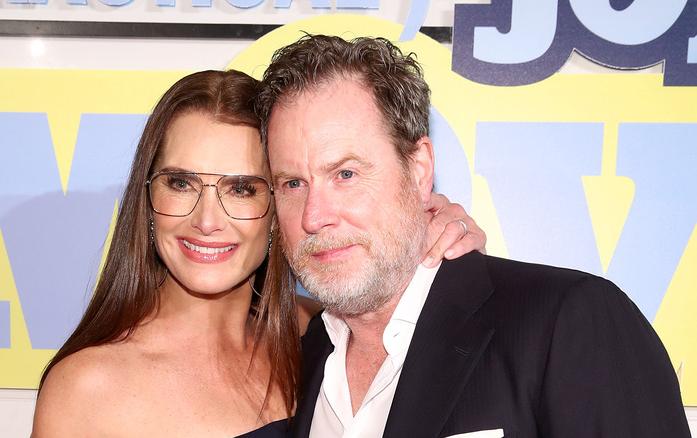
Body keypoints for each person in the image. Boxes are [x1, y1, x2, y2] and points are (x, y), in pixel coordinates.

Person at [254, 35, 691, 438]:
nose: (314, 216)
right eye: (293, 183)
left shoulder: (567, 320)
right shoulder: (307, 354)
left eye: (345, 174)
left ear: (419, 168)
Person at [31, 69, 486, 437]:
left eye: (242, 188)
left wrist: (440, 249)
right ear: (148, 199)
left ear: (279, 206)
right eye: (181, 183)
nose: (206, 220)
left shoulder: (324, 337)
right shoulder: (87, 388)